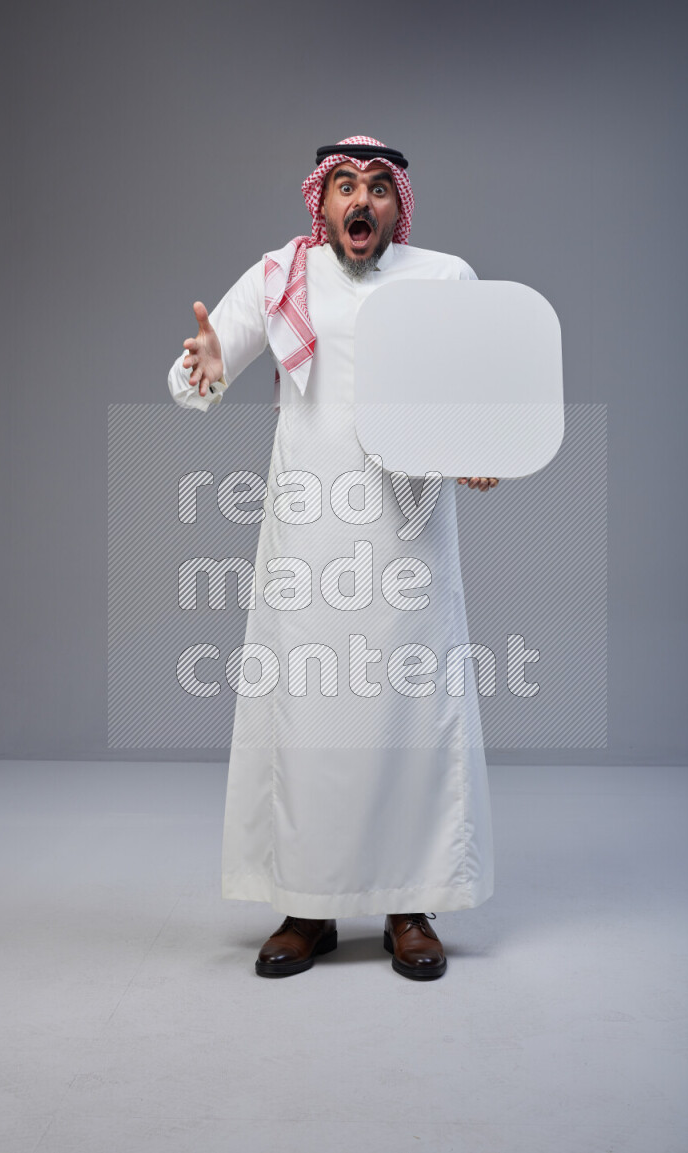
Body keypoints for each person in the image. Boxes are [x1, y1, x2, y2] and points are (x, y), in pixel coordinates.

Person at [168, 136, 498, 981]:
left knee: (409, 713)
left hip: (409, 531)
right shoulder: (284, 275)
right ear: (322, 204)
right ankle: (307, 907)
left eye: (379, 188)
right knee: (308, 709)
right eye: (345, 186)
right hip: (309, 530)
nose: (362, 201)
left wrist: (480, 443)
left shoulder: (444, 278)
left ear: (399, 206)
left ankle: (410, 905)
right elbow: (208, 367)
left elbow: (477, 395)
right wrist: (200, 367)